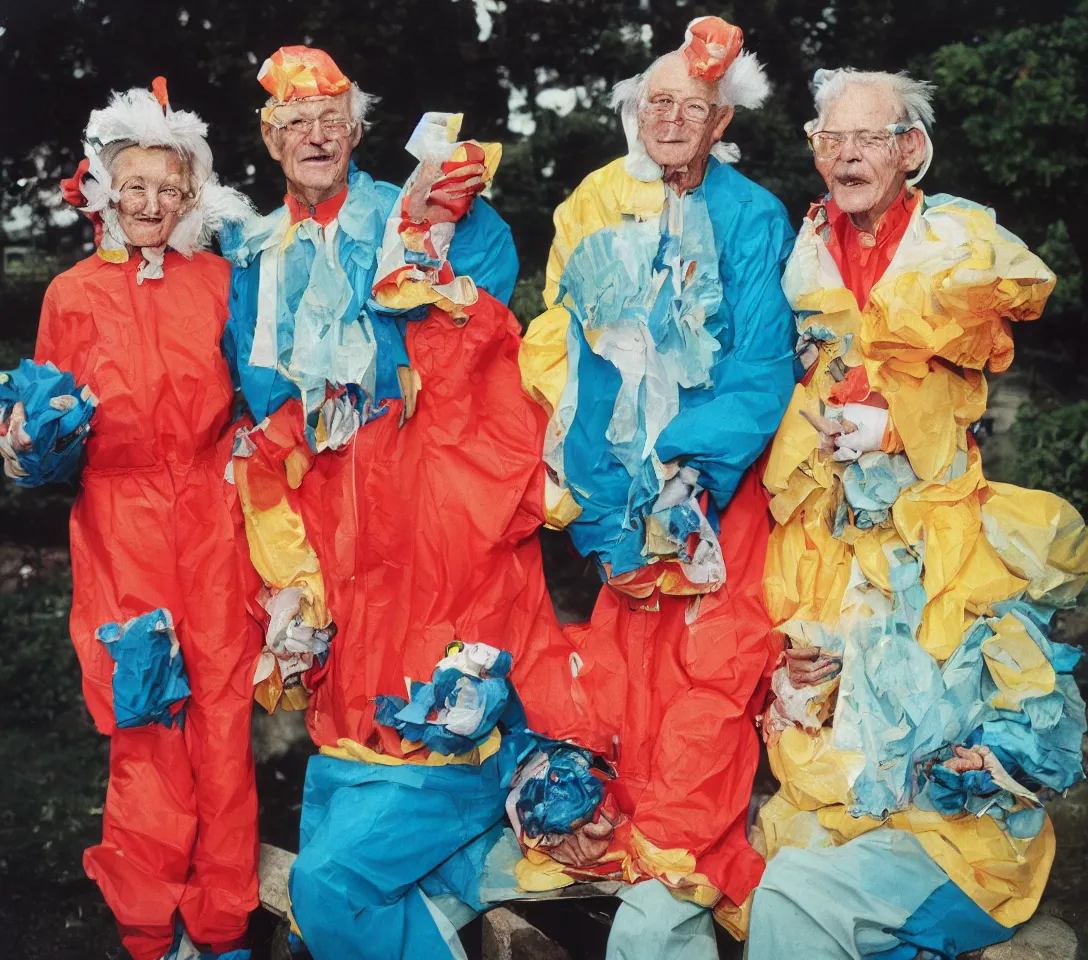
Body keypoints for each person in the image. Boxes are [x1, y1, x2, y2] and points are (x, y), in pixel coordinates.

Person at [221, 47, 587, 958]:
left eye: (331, 120)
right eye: (294, 123)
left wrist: (443, 221)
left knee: (432, 699)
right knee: (350, 710)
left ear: (356, 132)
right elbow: (254, 384)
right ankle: (443, 876)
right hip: (325, 515)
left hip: (427, 496)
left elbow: (480, 328)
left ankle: (438, 847)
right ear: (269, 140)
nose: (314, 136)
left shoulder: (413, 209)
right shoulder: (253, 250)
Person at [751, 68, 1088, 959]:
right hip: (836, 519)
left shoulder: (955, 237)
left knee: (953, 670)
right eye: (831, 139)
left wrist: (899, 418)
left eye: (869, 137)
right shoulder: (806, 242)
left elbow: (1004, 322)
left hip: (935, 512)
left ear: (911, 149)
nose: (848, 154)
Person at [519, 16, 796, 957]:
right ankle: (653, 881)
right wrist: (598, 515)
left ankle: (673, 877)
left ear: (722, 123)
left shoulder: (754, 216)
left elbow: (763, 368)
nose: (672, 118)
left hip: (717, 508)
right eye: (656, 102)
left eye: (694, 105)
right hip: (620, 515)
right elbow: (565, 367)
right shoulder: (594, 201)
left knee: (711, 694)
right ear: (634, 112)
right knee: (627, 697)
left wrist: (693, 473)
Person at [0, 81, 261, 960]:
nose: (151, 204)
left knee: (223, 720)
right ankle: (152, 932)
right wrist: (26, 447)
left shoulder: (223, 284)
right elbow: (48, 432)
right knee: (144, 723)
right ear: (106, 190)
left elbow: (265, 404)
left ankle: (222, 925)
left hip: (217, 523)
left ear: (193, 197)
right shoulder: (71, 295)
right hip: (121, 530)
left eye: (169, 189)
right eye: (135, 186)